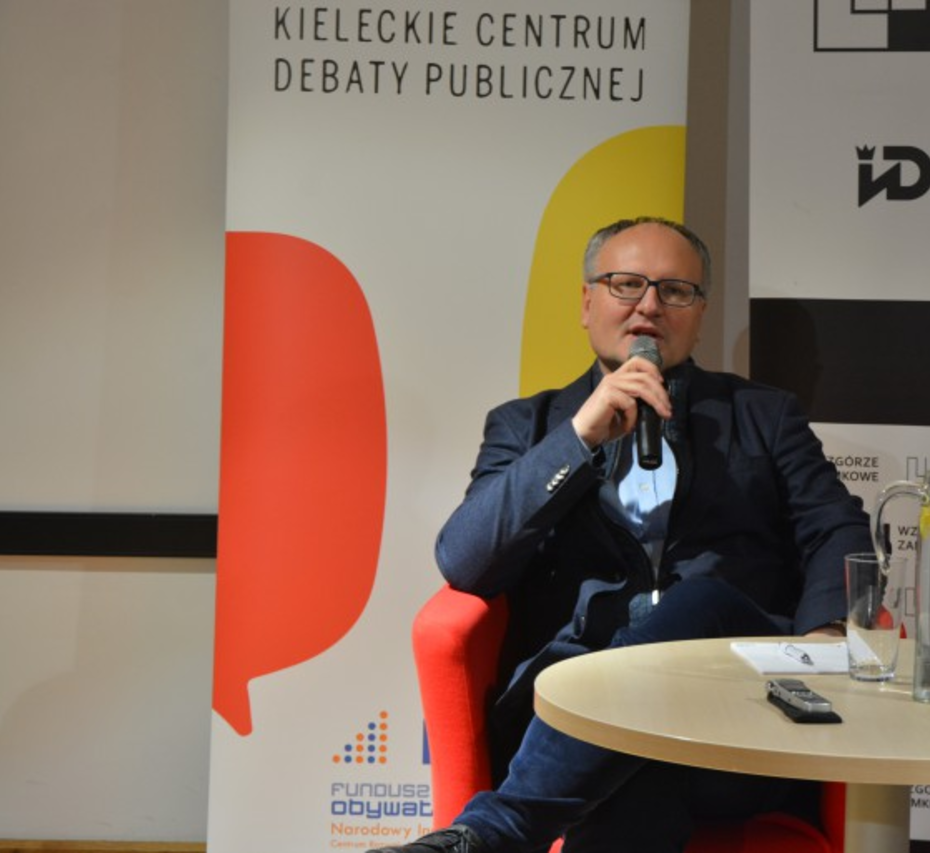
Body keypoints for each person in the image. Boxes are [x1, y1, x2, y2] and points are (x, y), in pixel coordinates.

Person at [372, 217, 871, 853]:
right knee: (630, 775)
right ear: (587, 303)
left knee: (701, 601)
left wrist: (825, 636)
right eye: (626, 284)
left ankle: (496, 833)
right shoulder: (528, 427)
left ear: (700, 314)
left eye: (675, 291)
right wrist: (578, 438)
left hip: (730, 718)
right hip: (569, 716)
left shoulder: (762, 416)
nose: (649, 306)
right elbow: (465, 560)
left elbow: (837, 528)